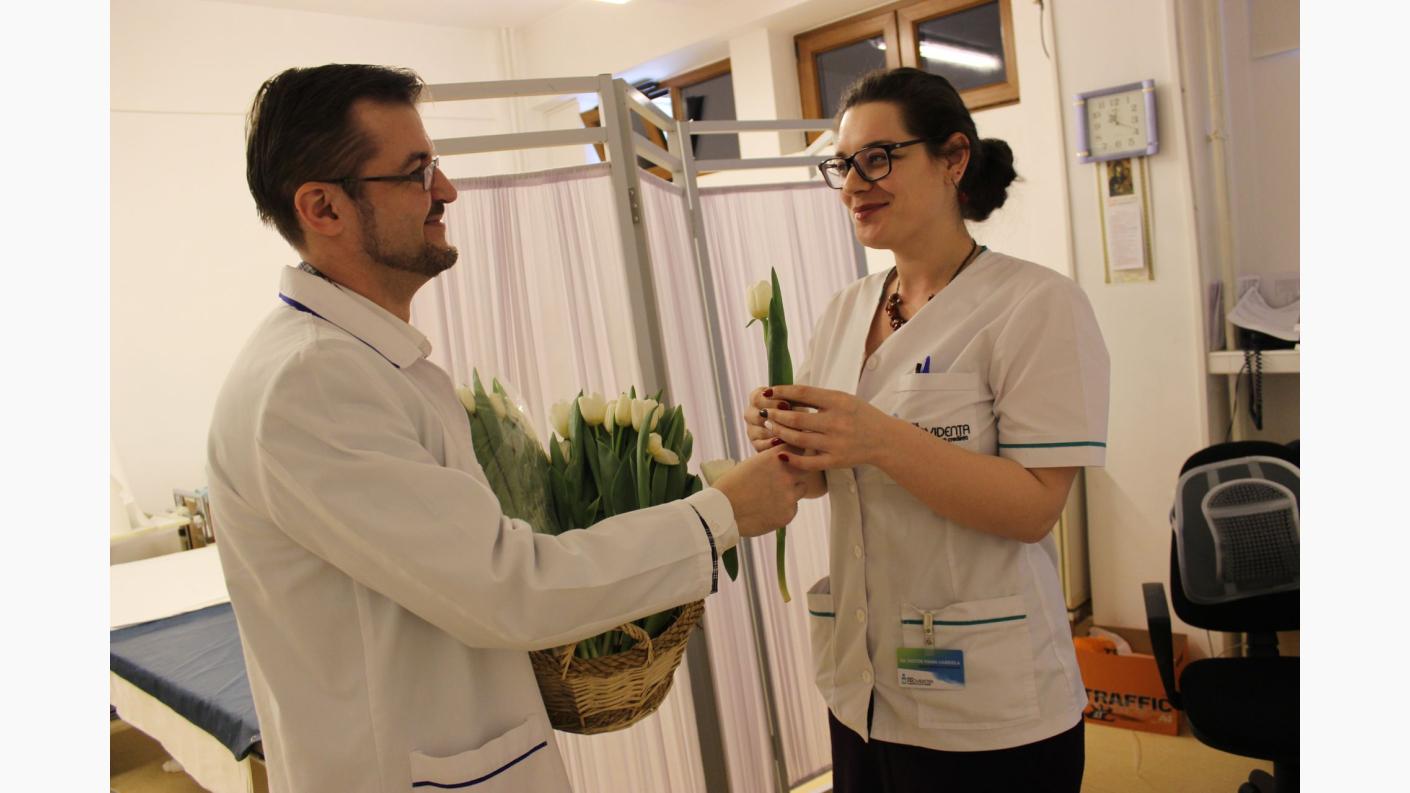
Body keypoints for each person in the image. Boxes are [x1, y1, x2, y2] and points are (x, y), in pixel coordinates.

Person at [208, 63, 805, 793]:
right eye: (416, 172)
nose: (446, 191)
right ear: (323, 207)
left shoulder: (362, 363)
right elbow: (508, 588)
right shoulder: (312, 383)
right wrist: (721, 515)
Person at [745, 68, 1110, 793]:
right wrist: (786, 439)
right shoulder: (845, 310)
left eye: (878, 158)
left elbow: (1034, 508)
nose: (854, 184)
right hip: (861, 688)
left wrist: (879, 438)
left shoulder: (1035, 304)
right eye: (842, 165)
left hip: (989, 708)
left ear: (953, 158)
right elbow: (824, 480)